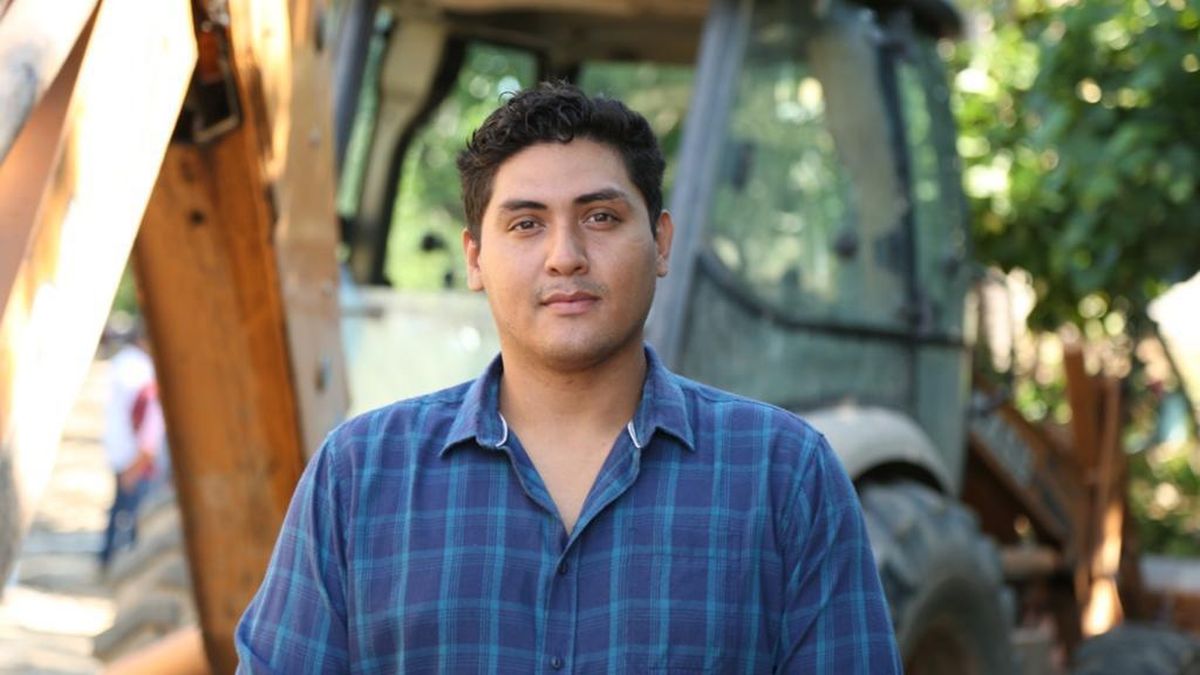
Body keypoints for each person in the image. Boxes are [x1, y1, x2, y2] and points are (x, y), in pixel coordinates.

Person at [236, 82, 900, 673]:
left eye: (600, 217)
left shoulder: (784, 477)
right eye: (526, 224)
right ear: (475, 258)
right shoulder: (358, 478)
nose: (565, 256)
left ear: (661, 241)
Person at [98, 323, 166, 571]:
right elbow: (150, 431)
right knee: (133, 521)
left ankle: (106, 561)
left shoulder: (121, 364)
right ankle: (119, 567)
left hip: (120, 453)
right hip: (137, 460)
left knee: (118, 513)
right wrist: (138, 464)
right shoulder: (146, 375)